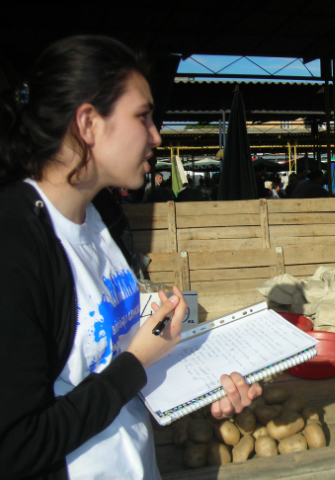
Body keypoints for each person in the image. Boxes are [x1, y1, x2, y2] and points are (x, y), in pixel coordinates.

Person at [0, 35, 261, 480]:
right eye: (143, 117)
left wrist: (200, 380)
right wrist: (137, 363)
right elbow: (15, 447)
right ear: (88, 124)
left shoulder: (103, 214)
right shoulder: (15, 242)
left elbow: (103, 354)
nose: (157, 135)